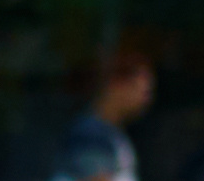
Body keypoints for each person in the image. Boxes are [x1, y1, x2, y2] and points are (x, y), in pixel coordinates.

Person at [49, 49, 148, 181]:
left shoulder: (108, 132)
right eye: (141, 90)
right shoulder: (91, 133)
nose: (146, 99)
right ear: (116, 84)